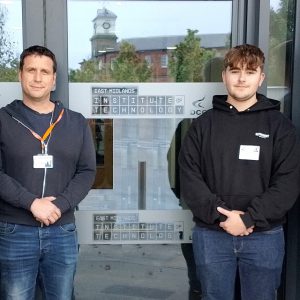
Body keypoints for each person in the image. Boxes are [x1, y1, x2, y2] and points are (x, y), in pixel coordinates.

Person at [178, 44, 300, 300]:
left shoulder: (280, 127)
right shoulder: (202, 126)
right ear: (224, 76)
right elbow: (189, 177)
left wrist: (248, 219)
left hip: (264, 237)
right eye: (235, 71)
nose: (242, 78)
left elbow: (288, 182)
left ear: (261, 77)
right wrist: (221, 216)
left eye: (250, 71)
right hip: (212, 235)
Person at [0, 45, 96, 299]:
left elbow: (87, 171)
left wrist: (60, 205)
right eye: (31, 70)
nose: (38, 77)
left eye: (45, 71)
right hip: (15, 230)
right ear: (20, 75)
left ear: (54, 79)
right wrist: (31, 203)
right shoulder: (2, 119)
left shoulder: (75, 121)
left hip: (62, 230)